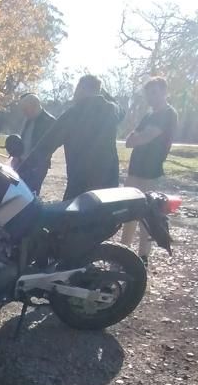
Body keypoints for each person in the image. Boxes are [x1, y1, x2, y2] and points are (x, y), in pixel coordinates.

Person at [22, 75, 122, 201]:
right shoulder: (111, 110)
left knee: (72, 219)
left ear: (81, 89)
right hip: (108, 185)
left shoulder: (72, 115)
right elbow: (121, 109)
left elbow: (44, 147)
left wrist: (19, 173)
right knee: (105, 219)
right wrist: (103, 93)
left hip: (80, 185)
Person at [120, 76, 177, 265]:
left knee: (148, 216)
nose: (151, 97)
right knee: (129, 213)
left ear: (164, 91)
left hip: (152, 173)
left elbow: (145, 137)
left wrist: (140, 136)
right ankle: (122, 252)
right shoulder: (149, 115)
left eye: (154, 92)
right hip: (134, 172)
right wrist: (139, 136)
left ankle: (143, 257)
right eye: (148, 93)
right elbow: (129, 140)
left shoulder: (168, 114)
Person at [16, 93, 55, 193]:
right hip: (22, 163)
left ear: (34, 106)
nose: (23, 112)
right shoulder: (27, 120)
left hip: (37, 166)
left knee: (30, 193)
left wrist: (37, 163)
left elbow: (49, 147)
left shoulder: (49, 121)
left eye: (25, 109)